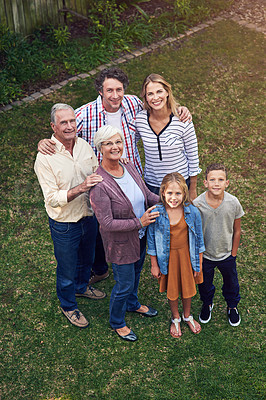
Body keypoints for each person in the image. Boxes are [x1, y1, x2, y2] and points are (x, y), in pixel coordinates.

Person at [37, 68, 192, 285]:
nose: (115, 95)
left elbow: (158, 105)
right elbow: (65, 129)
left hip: (133, 173)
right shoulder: (85, 113)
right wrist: (45, 142)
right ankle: (101, 269)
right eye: (109, 90)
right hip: (105, 180)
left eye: (119, 89)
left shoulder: (133, 104)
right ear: (100, 91)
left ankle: (140, 261)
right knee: (104, 225)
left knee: (138, 217)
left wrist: (179, 109)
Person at [34, 103, 106, 329]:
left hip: (88, 216)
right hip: (64, 223)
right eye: (63, 122)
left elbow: (98, 172)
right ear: (53, 127)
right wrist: (81, 188)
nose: (69, 126)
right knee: (66, 268)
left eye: (72, 121)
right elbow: (52, 198)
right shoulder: (44, 158)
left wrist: (117, 162)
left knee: (87, 259)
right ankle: (68, 305)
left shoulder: (84, 146)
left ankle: (82, 287)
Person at [90, 125, 160, 342]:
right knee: (124, 283)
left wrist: (169, 202)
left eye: (118, 142)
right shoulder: (99, 184)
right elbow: (107, 223)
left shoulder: (128, 167)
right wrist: (139, 222)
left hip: (139, 237)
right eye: (108, 143)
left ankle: (132, 303)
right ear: (100, 148)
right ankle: (117, 321)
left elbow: (146, 194)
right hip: (120, 243)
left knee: (136, 273)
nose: (115, 147)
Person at [147, 172, 205, 338]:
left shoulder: (192, 212)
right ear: (163, 192)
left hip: (187, 257)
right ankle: (176, 317)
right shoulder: (157, 212)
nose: (174, 197)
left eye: (178, 193)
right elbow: (151, 241)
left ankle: (187, 315)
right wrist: (154, 264)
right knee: (172, 290)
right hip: (168, 259)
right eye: (170, 193)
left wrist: (198, 264)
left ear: (184, 194)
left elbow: (199, 240)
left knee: (187, 288)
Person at [193, 163, 244, 327]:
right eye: (212, 179)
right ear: (205, 183)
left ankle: (232, 306)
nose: (216, 183)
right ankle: (207, 304)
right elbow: (193, 233)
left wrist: (233, 254)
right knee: (205, 284)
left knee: (231, 283)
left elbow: (237, 230)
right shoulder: (197, 204)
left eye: (220, 179)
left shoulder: (233, 202)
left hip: (227, 255)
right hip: (205, 255)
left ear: (227, 183)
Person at [135, 73, 201, 200]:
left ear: (167, 92)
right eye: (150, 94)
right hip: (152, 186)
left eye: (159, 91)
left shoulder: (182, 119)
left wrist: (192, 190)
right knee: (158, 219)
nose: (155, 98)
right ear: (145, 97)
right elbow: (130, 142)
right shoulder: (140, 120)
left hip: (180, 184)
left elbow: (193, 158)